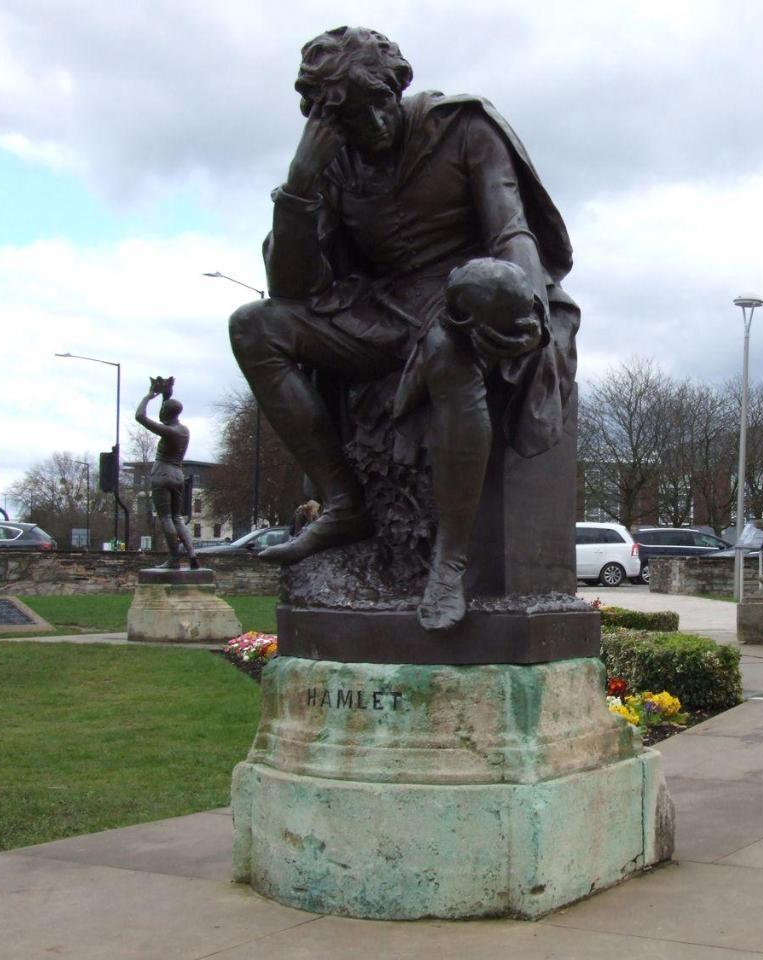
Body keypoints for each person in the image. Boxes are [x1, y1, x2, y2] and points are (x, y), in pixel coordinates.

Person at [228, 26, 577, 630]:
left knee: (448, 348)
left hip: (467, 304)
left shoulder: (463, 128)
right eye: (354, 121)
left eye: (379, 107)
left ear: (396, 90)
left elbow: (510, 231)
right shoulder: (331, 162)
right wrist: (299, 188)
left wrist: (523, 304)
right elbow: (292, 291)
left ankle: (450, 560)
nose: (375, 127)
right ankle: (345, 506)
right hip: (382, 313)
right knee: (254, 327)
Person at [135, 389, 199, 570]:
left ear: (166, 413)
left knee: (165, 518)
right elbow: (167, 414)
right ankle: (192, 554)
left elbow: (140, 416)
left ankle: (174, 559)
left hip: (162, 474)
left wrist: (149, 396)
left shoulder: (169, 432)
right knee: (177, 517)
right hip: (178, 475)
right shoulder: (184, 430)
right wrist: (166, 396)